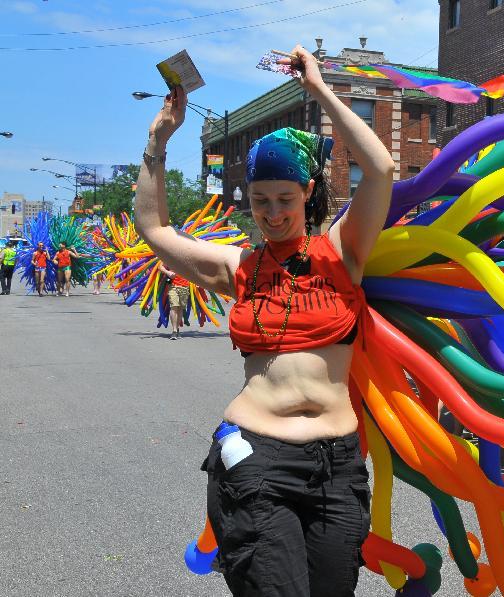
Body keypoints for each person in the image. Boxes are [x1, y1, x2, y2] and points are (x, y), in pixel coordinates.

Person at [134, 43, 394, 597]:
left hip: (338, 464)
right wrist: (159, 141)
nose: (273, 214)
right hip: (256, 457)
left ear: (307, 195)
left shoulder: (343, 252)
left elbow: (382, 168)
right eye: (259, 202)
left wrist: (320, 88)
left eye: (284, 199)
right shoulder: (239, 267)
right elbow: (157, 232)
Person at [158, 262, 190, 339]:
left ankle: (177, 328)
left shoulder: (188, 257)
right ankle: (174, 331)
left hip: (185, 286)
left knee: (180, 309)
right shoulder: (171, 255)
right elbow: (160, 266)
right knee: (174, 307)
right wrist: (167, 272)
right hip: (173, 286)